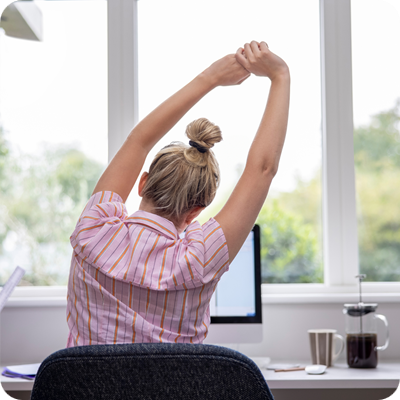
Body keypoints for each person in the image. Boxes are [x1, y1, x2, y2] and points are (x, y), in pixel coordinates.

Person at [66, 41, 290, 347]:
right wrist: (280, 76)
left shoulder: (94, 229)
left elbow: (138, 142)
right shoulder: (199, 258)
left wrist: (210, 78)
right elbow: (262, 170)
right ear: (197, 209)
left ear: (142, 183)